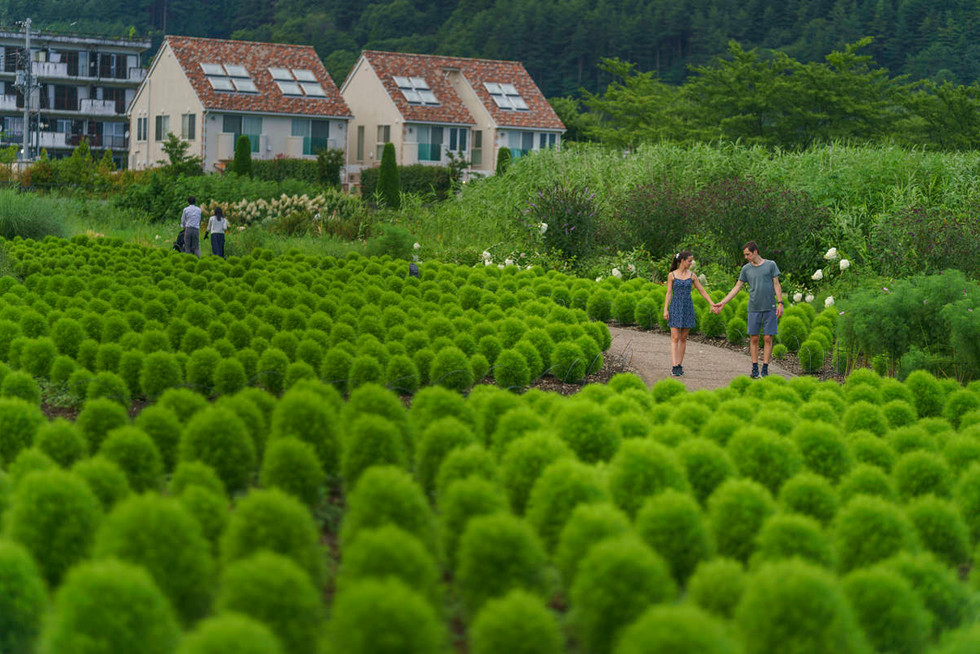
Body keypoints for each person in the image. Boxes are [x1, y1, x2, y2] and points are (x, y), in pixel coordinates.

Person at [712, 241, 783, 378]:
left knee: (768, 338)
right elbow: (737, 288)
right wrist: (723, 302)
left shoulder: (771, 265)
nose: (746, 257)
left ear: (755, 252)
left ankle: (766, 368)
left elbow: (776, 284)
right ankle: (755, 367)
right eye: (745, 255)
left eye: (748, 254)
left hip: (769, 307)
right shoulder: (746, 269)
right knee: (754, 338)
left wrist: (780, 303)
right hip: (754, 308)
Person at [663, 251, 715, 376]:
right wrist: (666, 309)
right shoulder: (672, 275)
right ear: (682, 261)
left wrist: (711, 303)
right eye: (689, 261)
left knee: (683, 338)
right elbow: (669, 292)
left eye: (691, 261)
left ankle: (680, 364)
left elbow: (702, 290)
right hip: (675, 307)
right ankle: (674, 365)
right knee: (675, 337)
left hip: (687, 308)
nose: (691, 263)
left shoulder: (692, 276)